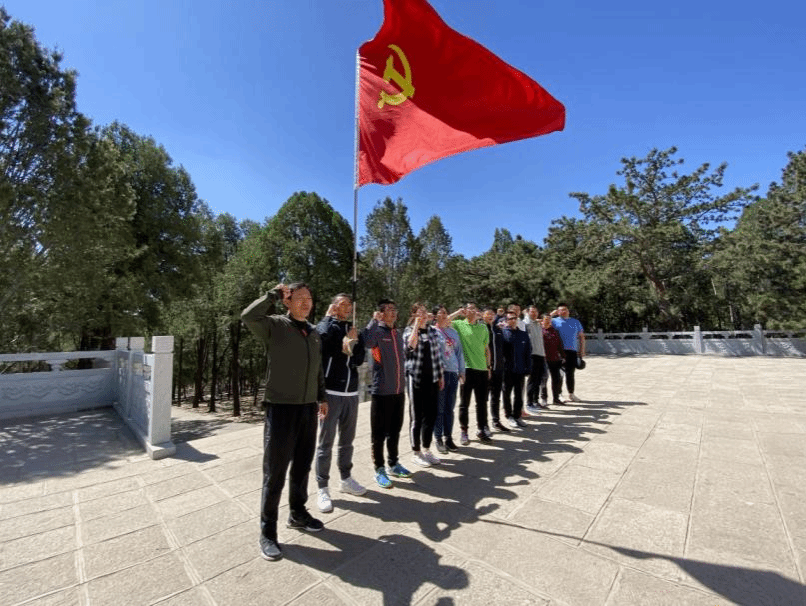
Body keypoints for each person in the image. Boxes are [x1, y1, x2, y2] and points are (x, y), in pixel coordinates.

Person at [241, 282, 327, 562]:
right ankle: (268, 532)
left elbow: (317, 369)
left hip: (308, 409)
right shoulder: (275, 326)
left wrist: (322, 396)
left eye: (309, 297)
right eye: (299, 297)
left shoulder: (313, 332)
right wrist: (272, 295)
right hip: (281, 410)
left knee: (302, 466)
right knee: (275, 473)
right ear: (288, 302)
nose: (306, 302)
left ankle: (298, 514)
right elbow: (248, 317)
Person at [314, 293, 367, 514]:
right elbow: (318, 339)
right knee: (325, 443)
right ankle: (322, 488)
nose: (347, 308)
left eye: (349, 305)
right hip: (331, 392)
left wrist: (353, 343)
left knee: (347, 441)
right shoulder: (330, 327)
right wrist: (327, 317)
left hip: (351, 393)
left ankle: (346, 479)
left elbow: (358, 360)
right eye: (342, 304)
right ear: (334, 306)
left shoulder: (353, 330)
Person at [362, 299, 411, 488]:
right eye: (388, 309)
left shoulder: (396, 333)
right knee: (379, 434)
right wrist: (374, 321)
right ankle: (379, 469)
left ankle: (394, 463)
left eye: (394, 309)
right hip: (382, 391)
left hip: (398, 390)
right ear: (381, 313)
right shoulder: (377, 332)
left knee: (395, 430)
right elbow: (367, 342)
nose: (393, 312)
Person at [403, 303, 445, 468]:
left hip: (432, 378)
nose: (423, 315)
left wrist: (440, 375)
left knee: (431, 414)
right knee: (417, 416)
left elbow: (437, 354)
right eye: (419, 313)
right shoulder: (409, 331)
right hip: (416, 377)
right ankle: (416, 452)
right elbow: (410, 346)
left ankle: (426, 449)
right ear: (413, 315)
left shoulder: (433, 331)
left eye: (424, 312)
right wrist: (416, 326)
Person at [450, 303, 491, 445]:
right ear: (465, 310)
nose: (472, 310)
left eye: (474, 308)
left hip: (482, 369)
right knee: (464, 403)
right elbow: (443, 321)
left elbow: (486, 349)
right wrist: (457, 312)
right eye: (469, 308)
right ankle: (464, 432)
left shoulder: (483, 327)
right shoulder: (459, 324)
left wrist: (489, 367)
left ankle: (482, 429)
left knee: (482, 403)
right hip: (466, 369)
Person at [432, 305, 465, 454]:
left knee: (449, 408)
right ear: (435, 316)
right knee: (439, 407)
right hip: (440, 373)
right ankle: (438, 438)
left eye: (446, 312)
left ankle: (448, 437)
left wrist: (462, 371)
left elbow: (459, 353)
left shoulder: (453, 332)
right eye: (441, 313)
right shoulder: (433, 332)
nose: (445, 315)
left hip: (453, 372)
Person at [501, 311, 531, 427]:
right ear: (506, 321)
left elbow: (528, 352)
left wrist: (528, 367)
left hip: (520, 369)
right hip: (507, 370)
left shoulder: (523, 334)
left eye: (515, 318)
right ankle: (509, 416)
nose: (513, 320)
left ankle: (517, 416)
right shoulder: (503, 333)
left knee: (519, 394)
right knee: (507, 394)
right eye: (510, 319)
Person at [552, 303, 586, 402]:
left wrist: (582, 350)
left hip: (572, 351)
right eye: (561, 310)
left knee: (570, 373)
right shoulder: (554, 321)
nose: (563, 311)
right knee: (560, 374)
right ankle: (559, 394)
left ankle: (571, 394)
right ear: (557, 312)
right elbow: (543, 323)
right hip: (559, 352)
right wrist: (551, 314)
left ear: (568, 311)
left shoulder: (575, 322)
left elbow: (581, 336)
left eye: (565, 309)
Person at [483, 307, 509, 433]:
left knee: (496, 396)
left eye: (492, 314)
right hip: (485, 369)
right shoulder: (481, 328)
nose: (490, 316)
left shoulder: (498, 329)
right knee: (483, 398)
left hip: (498, 368)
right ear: (482, 315)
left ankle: (496, 421)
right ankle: (483, 424)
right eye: (488, 313)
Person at [524, 305, 547, 411]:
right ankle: (529, 403)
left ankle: (535, 401)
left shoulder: (538, 324)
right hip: (532, 355)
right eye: (532, 312)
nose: (534, 313)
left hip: (540, 355)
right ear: (528, 312)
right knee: (532, 380)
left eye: (536, 311)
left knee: (538, 380)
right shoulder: (526, 323)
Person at [540, 313, 565, 405]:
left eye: (549, 319)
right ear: (542, 321)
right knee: (544, 379)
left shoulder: (554, 331)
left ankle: (556, 398)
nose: (548, 321)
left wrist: (563, 356)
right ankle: (544, 398)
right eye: (546, 319)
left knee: (556, 379)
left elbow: (559, 344)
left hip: (555, 358)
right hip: (544, 359)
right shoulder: (540, 331)